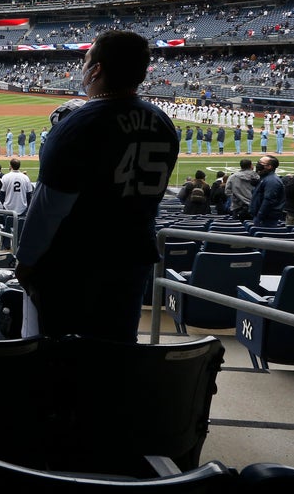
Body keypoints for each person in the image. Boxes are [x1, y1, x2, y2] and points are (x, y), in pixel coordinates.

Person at [15, 30, 178, 344]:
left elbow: (49, 208)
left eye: (87, 59)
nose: (83, 66)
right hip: (133, 257)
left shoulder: (76, 125)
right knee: (118, 352)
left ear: (97, 69)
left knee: (64, 355)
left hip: (78, 262)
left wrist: (26, 261)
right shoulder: (162, 121)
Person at [248, 155, 286, 227]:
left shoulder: (272, 181)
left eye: (261, 163)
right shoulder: (265, 178)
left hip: (266, 220)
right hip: (263, 218)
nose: (258, 165)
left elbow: (268, 201)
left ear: (269, 166)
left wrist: (259, 217)